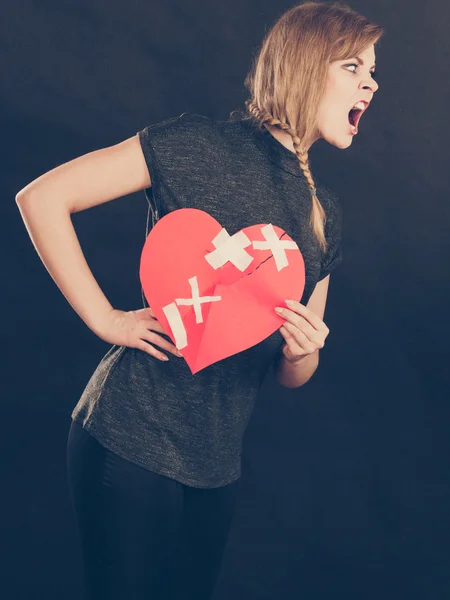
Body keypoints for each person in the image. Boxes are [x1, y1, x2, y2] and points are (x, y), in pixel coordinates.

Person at [15, 2, 383, 599]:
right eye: (353, 66)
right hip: (130, 439)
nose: (372, 82)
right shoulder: (198, 144)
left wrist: (301, 352)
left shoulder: (325, 216)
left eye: (373, 70)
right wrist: (105, 318)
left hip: (216, 468)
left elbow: (295, 373)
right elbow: (43, 198)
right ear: (306, 66)